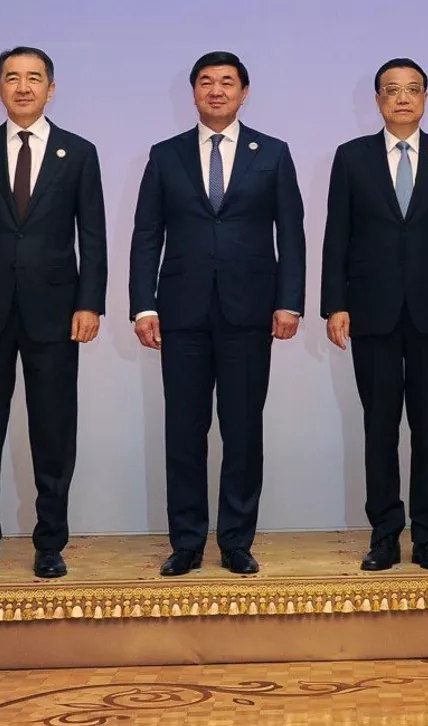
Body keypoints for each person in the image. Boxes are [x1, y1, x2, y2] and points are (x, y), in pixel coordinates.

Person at [130, 52, 305, 576]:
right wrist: (143, 304)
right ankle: (186, 543)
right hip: (180, 312)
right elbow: (146, 235)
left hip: (249, 312)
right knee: (184, 431)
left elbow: (291, 233)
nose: (216, 90)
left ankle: (236, 540)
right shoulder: (166, 155)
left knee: (243, 430)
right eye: (206, 82)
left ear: (244, 92)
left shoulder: (272, 153)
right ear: (193, 92)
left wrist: (289, 301)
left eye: (227, 82)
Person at [0, 47, 107, 581]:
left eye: (34, 78)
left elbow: (93, 237)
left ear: (51, 89)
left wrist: (90, 302)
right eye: (12, 78)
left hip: (55, 313)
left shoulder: (79, 153)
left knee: (53, 432)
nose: (23, 87)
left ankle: (50, 542)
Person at [321, 59, 428, 572]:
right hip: (372, 312)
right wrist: (335, 304)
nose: (402, 98)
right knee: (380, 427)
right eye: (392, 90)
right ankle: (385, 534)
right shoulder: (352, 157)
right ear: (378, 100)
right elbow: (337, 234)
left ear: (425, 98)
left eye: (412, 90)